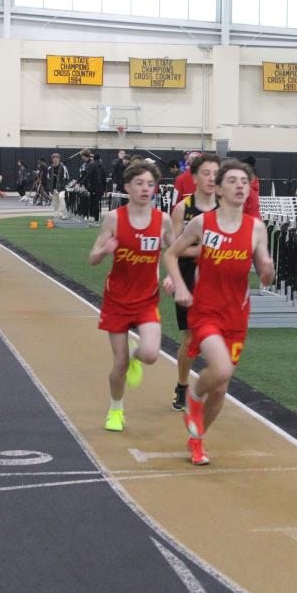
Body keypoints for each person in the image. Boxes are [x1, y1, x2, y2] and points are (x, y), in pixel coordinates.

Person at [164, 159, 275, 465]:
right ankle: (193, 396)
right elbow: (171, 254)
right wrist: (180, 286)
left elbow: (265, 271)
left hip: (236, 315)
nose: (240, 186)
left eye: (244, 182)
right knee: (222, 370)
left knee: (221, 388)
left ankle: (197, 439)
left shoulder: (256, 228)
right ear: (220, 189)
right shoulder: (202, 223)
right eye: (233, 181)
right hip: (205, 311)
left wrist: (268, 271)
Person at [88, 161, 173, 432]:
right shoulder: (114, 218)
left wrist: (172, 276)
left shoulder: (163, 220)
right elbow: (92, 258)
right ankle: (116, 409)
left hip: (147, 298)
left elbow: (174, 251)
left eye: (150, 184)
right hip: (117, 299)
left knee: (150, 354)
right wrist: (105, 250)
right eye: (139, 183)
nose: (145, 189)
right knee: (120, 363)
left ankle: (137, 356)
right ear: (127, 187)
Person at [168, 153, 220, 412]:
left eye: (215, 174)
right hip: (188, 276)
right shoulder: (183, 208)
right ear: (195, 177)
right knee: (190, 338)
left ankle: (211, 387)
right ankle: (182, 384)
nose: (211, 178)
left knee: (216, 337)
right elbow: (174, 249)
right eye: (206, 173)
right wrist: (201, 251)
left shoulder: (226, 207)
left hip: (218, 279)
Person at [48, 153, 70, 219]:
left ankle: (63, 214)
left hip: (61, 187)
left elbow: (67, 177)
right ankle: (56, 213)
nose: (55, 159)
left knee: (61, 198)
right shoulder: (50, 168)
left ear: (59, 159)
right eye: (54, 158)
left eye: (57, 158)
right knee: (55, 201)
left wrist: (63, 185)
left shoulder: (63, 167)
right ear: (52, 159)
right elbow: (48, 178)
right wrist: (50, 188)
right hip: (53, 187)